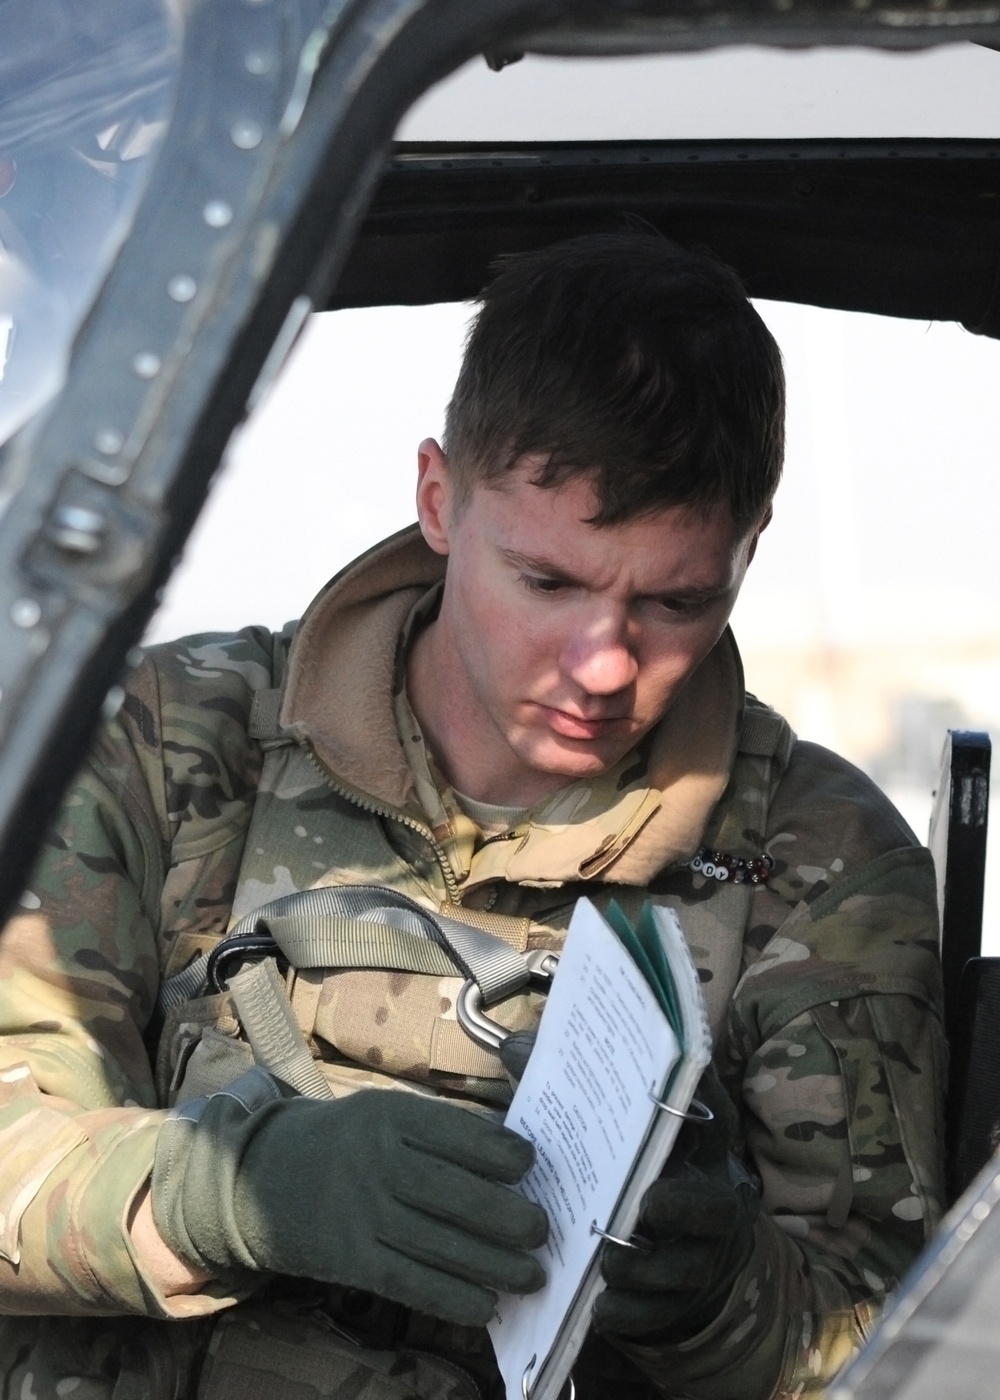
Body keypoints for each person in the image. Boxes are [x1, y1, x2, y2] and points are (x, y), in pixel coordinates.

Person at [0, 234, 944, 1400]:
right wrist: (230, 1189)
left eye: (675, 600)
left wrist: (719, 1292)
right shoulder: (169, 737)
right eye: (548, 582)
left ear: (748, 551)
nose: (603, 663)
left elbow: (895, 1346)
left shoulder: (819, 857)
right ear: (439, 500)